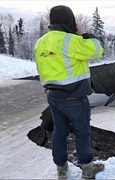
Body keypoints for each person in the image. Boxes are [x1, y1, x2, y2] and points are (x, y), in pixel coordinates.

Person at [34, 5, 104, 179]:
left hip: (53, 96)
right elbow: (96, 51)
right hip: (74, 97)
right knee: (82, 132)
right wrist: (84, 33)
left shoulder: (40, 42)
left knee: (59, 132)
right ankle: (87, 168)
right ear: (69, 20)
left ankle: (61, 169)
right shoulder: (71, 40)